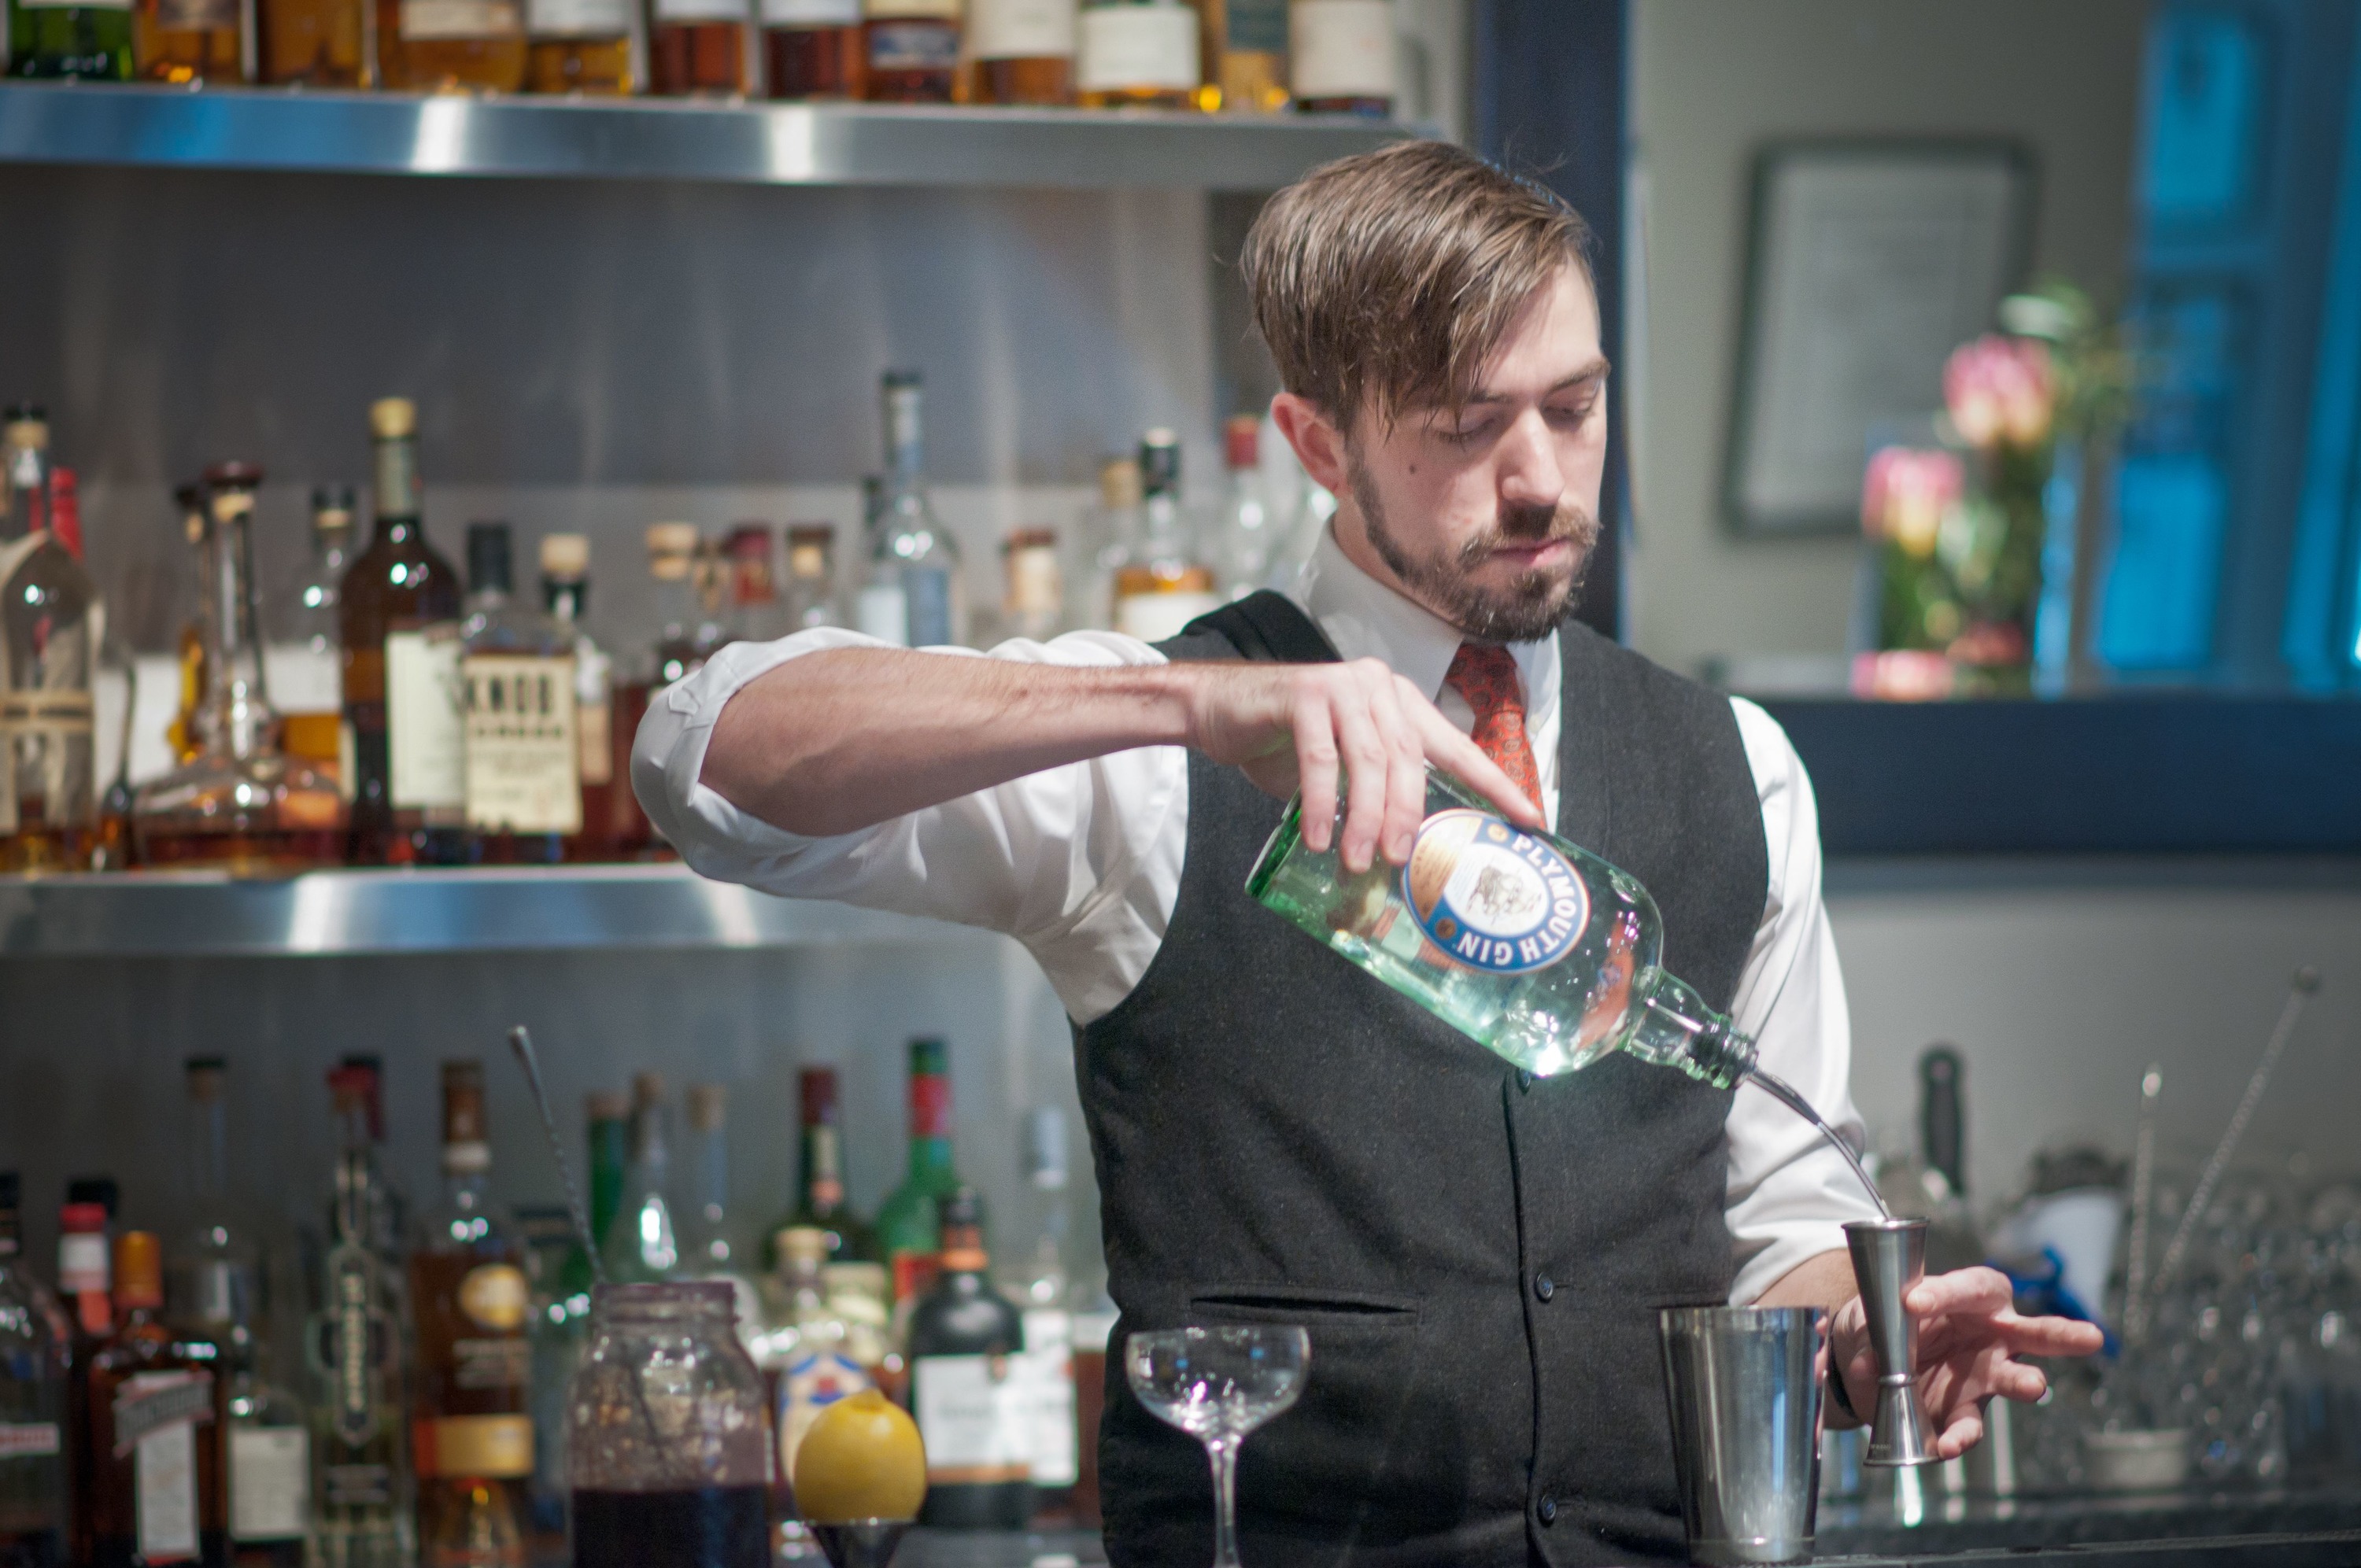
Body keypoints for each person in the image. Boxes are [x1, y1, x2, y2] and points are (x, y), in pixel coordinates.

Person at [636, 141, 2101, 1566]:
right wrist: (1186, 699)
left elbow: (1785, 1222)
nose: (1541, 478)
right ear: (1319, 442)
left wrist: (1859, 1338)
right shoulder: (1159, 750)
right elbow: (703, 758)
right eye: (1469, 425)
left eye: (1575, 406)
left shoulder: (1741, 771)